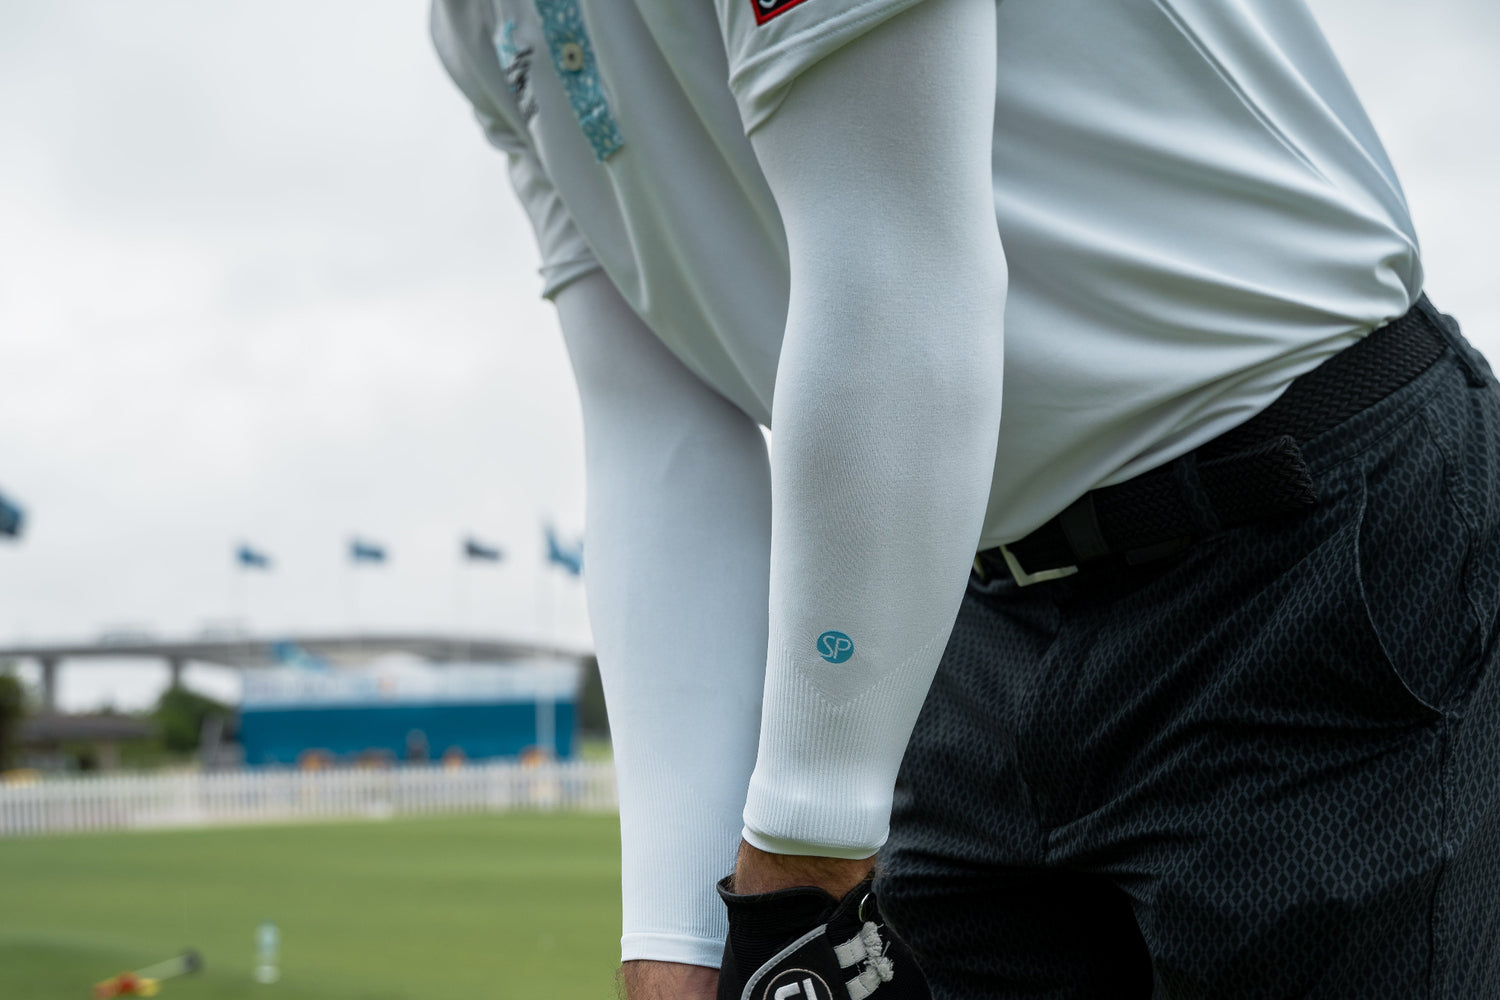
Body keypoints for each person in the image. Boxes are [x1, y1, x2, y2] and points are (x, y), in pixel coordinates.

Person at [431, 0, 1500, 996]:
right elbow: (658, 426)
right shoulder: (469, 20)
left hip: (1302, 538)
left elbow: (897, 261)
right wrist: (679, 939)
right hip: (966, 608)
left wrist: (800, 857)